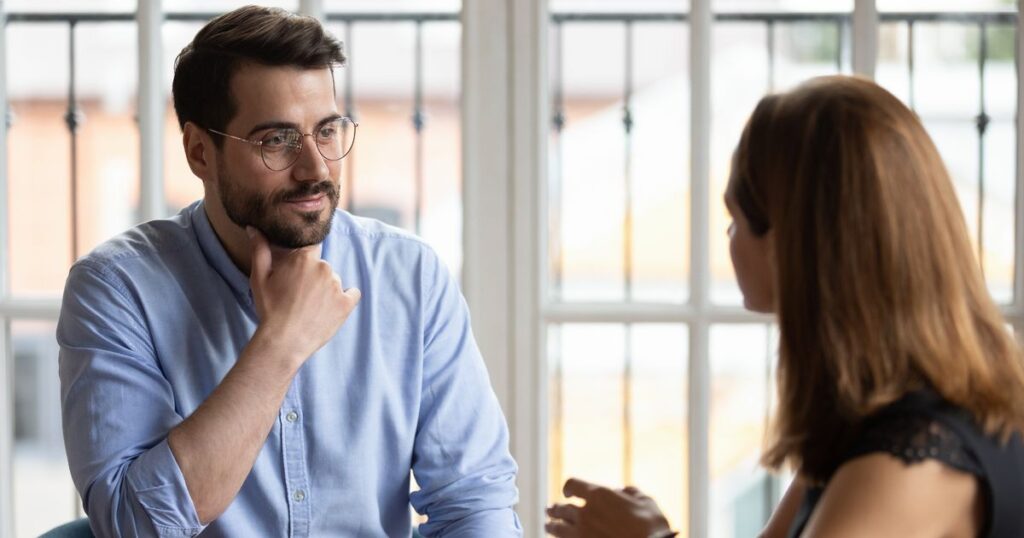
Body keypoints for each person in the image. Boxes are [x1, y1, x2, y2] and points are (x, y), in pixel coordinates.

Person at [57, 6, 520, 537]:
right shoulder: (117, 290)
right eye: (277, 140)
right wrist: (280, 345)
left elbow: (473, 502)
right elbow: (134, 525)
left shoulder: (410, 276)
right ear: (200, 152)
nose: (315, 168)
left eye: (327, 130)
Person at [546, 75, 1024, 538]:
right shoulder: (877, 414)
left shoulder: (908, 461)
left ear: (791, 243)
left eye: (735, 217)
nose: (728, 236)